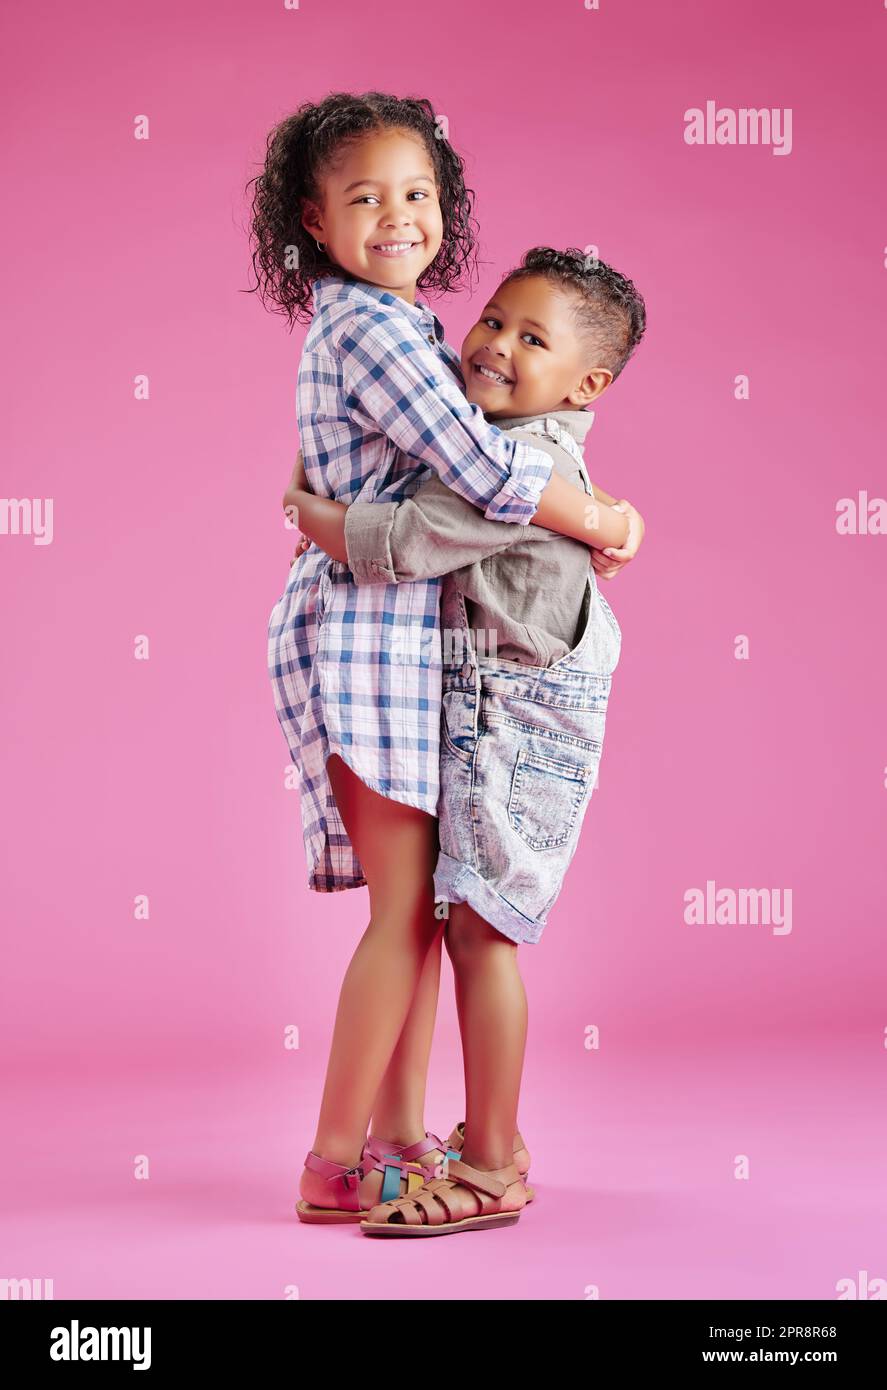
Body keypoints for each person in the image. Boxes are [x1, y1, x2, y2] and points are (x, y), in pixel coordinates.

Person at [286, 247, 647, 1233]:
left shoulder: (513, 467)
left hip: (516, 734)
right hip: (498, 725)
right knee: (467, 931)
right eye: (491, 319)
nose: (490, 345)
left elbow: (398, 543)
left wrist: (305, 507)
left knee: (484, 938)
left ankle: (489, 1166)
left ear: (585, 385)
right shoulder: (526, 442)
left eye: (531, 340)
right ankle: (488, 1145)